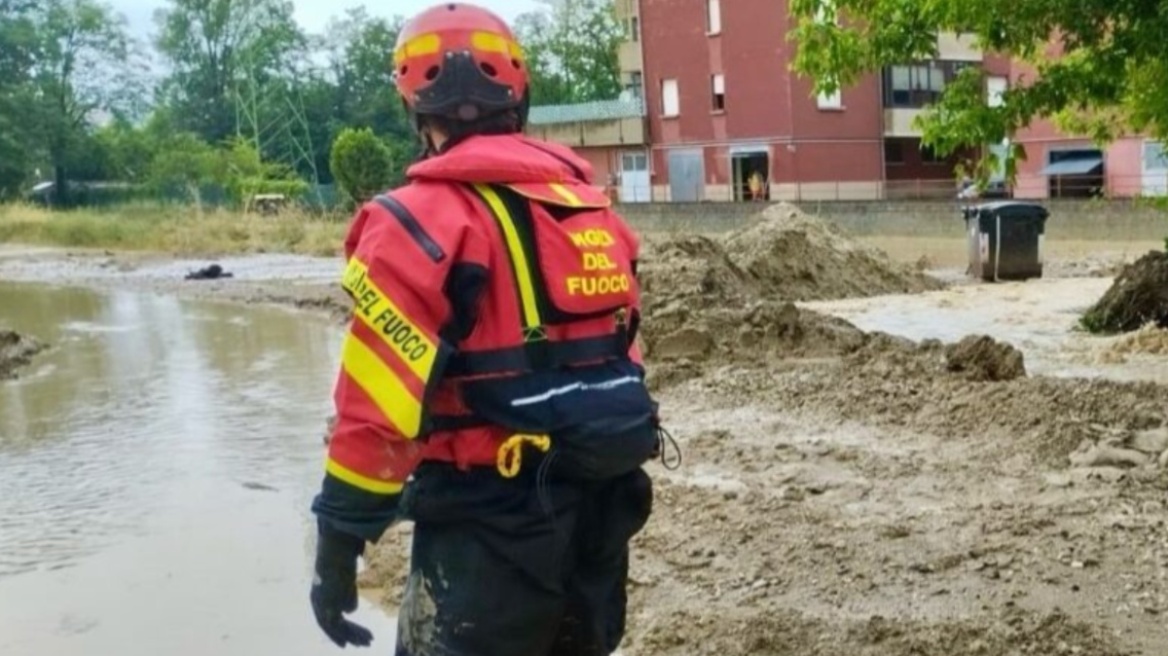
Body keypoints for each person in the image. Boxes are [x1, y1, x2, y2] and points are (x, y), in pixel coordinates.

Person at [308, 4, 672, 655]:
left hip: (485, 527)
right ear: (519, 92)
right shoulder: (594, 213)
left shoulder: (411, 223)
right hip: (600, 510)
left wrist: (338, 540)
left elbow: (377, 406)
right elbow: (625, 354)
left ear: (414, 104)